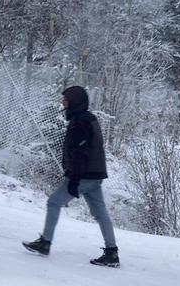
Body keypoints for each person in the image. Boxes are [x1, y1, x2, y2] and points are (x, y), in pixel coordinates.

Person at [22, 86, 119, 266]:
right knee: (100, 213)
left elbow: (80, 153)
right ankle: (112, 253)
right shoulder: (88, 118)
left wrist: (74, 179)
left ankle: (45, 242)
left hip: (83, 176)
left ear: (75, 102)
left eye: (66, 100)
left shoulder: (80, 122)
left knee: (54, 202)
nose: (63, 103)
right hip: (95, 175)